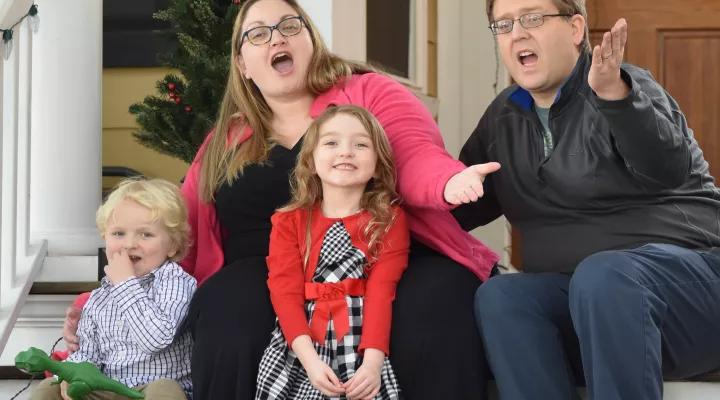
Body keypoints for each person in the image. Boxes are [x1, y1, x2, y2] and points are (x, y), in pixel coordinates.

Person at [64, 0, 502, 399]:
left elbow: (414, 152)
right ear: (243, 64)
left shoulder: (369, 94)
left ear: (311, 40)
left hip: (386, 248)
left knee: (436, 304)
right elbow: (177, 229)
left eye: (289, 25)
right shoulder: (226, 140)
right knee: (226, 310)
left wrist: (447, 183)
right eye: (258, 33)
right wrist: (106, 300)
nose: (276, 36)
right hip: (265, 265)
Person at [451, 0, 720, 398]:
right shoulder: (503, 118)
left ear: (576, 29)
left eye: (533, 18)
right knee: (503, 296)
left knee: (605, 275)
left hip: (692, 295)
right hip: (594, 310)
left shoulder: (626, 87)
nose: (518, 33)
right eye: (503, 24)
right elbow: (455, 209)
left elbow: (668, 166)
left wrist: (615, 97)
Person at [256, 105, 408, 399]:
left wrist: (373, 363)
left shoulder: (389, 221)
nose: (346, 152)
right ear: (311, 161)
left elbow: (382, 290)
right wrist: (310, 361)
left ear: (377, 165)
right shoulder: (288, 222)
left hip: (361, 343)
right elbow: (284, 292)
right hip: (303, 346)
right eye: (331, 142)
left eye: (361, 144)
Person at [36, 178, 196, 400]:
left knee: (164, 389)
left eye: (146, 234)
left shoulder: (175, 282)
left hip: (152, 391)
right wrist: (70, 374)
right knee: (49, 387)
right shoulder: (99, 297)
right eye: (119, 234)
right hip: (108, 388)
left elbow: (157, 339)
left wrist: (125, 284)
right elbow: (88, 354)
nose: (129, 244)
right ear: (105, 238)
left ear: (172, 246)